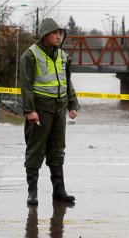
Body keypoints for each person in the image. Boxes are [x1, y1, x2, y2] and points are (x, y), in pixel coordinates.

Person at [19, 18, 80, 205]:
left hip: (59, 109)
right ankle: (32, 192)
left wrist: (72, 104)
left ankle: (59, 191)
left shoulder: (63, 56)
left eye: (60, 33)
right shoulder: (30, 55)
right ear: (45, 35)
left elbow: (66, 81)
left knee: (57, 150)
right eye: (55, 33)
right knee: (35, 150)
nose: (59, 37)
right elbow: (26, 85)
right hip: (40, 110)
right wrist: (30, 110)